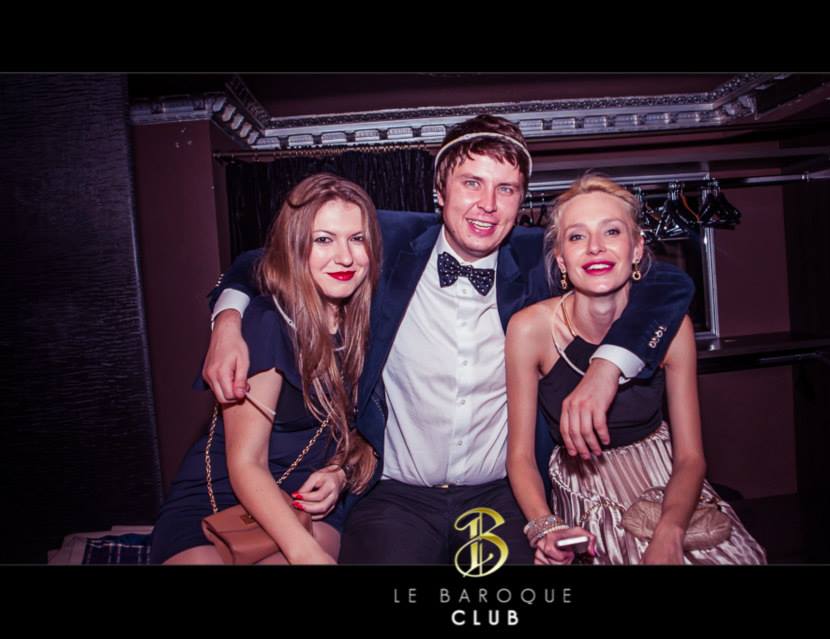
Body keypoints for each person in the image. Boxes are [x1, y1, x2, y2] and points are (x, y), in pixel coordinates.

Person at [201, 115, 695, 565]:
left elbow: (670, 284)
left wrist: (608, 366)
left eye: (506, 189)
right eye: (472, 183)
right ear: (440, 191)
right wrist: (227, 320)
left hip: (500, 494)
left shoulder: (541, 258)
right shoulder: (387, 239)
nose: (488, 204)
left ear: (521, 200)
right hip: (395, 495)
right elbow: (266, 260)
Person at [505, 174, 766, 564]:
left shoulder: (674, 328)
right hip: (585, 484)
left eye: (611, 231)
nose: (595, 247)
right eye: (577, 236)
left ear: (637, 248)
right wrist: (544, 526)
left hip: (666, 479)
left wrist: (670, 532)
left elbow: (691, 457)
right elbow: (520, 457)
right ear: (561, 260)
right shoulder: (529, 330)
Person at [150, 174, 381, 564]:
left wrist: (341, 472)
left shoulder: (373, 324)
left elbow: (370, 431)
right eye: (323, 239)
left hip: (306, 498)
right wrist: (305, 554)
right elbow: (246, 463)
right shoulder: (267, 322)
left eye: (357, 239)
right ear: (295, 246)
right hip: (225, 492)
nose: (345, 257)